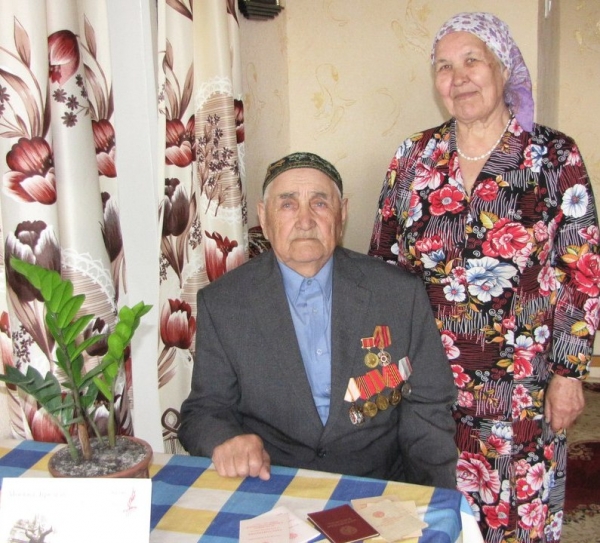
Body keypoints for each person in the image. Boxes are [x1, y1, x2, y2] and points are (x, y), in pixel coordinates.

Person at [368, 11, 600, 543]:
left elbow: (583, 272)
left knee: (516, 520)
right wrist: (379, 364)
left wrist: (569, 374)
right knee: (430, 515)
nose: (459, 78)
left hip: (521, 387)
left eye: (472, 61)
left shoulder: (553, 156)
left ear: (502, 68)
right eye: (444, 67)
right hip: (426, 384)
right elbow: (382, 263)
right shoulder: (414, 157)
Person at [179, 151, 458, 489]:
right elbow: (204, 410)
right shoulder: (224, 303)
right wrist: (226, 440)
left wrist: (434, 498)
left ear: (342, 214)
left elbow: (428, 406)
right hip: (273, 485)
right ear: (264, 217)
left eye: (320, 203)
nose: (305, 220)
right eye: (287, 204)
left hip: (378, 487)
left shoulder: (398, 293)